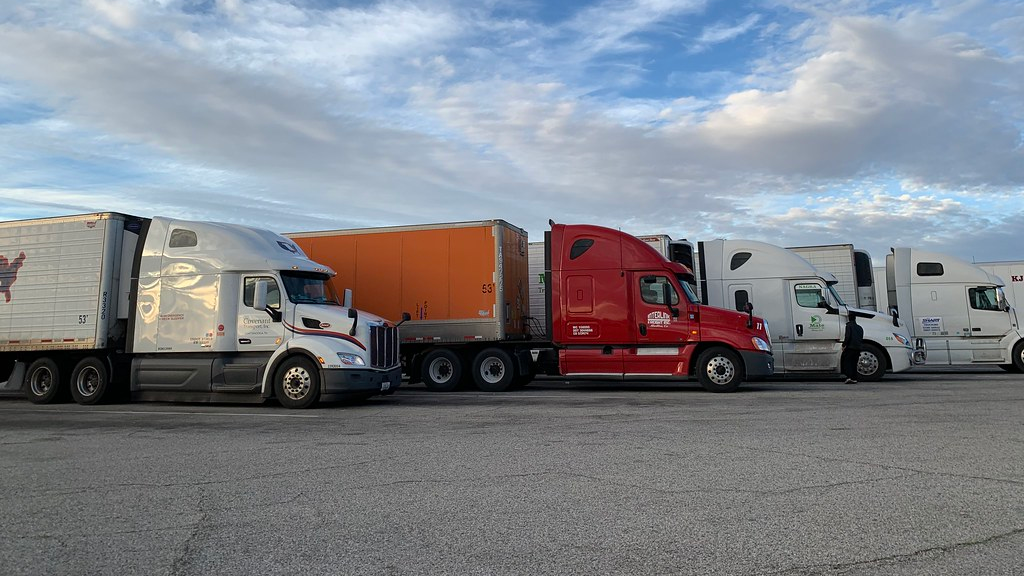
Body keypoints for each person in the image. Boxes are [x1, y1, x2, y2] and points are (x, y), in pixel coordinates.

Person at [842, 314, 864, 384]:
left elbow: (847, 336)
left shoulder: (848, 326)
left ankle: (849, 377)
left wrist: (844, 345)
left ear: (848, 318)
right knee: (854, 363)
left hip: (850, 347)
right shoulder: (860, 327)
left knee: (847, 362)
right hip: (858, 348)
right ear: (855, 318)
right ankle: (854, 378)